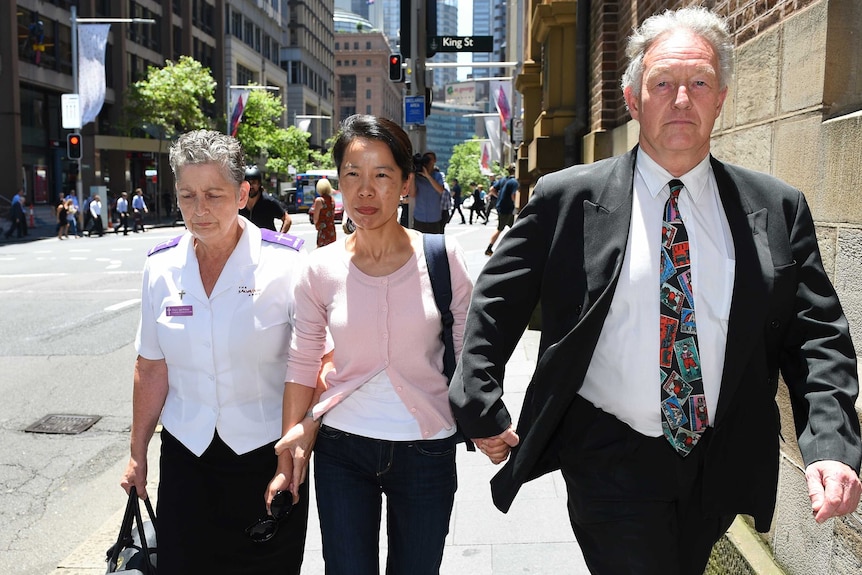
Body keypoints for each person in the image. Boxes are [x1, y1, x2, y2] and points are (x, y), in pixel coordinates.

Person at [448, 7, 862, 575]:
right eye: (663, 83)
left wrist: (832, 444)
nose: (682, 99)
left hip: (719, 459)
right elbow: (496, 301)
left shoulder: (776, 207)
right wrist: (477, 396)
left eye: (699, 83)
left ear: (721, 97)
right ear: (633, 96)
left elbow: (817, 336)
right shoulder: (567, 198)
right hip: (608, 455)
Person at [267, 114, 473, 575]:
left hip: (426, 449)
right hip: (343, 449)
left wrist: (485, 421)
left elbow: (468, 351)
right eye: (352, 175)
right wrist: (288, 456)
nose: (365, 191)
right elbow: (302, 362)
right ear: (338, 182)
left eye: (381, 175)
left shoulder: (443, 257)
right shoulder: (319, 268)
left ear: (405, 184)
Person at [120, 129, 311, 574]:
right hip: (187, 458)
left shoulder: (287, 264)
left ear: (243, 194)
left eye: (214, 195)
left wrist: (296, 447)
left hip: (267, 457)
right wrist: (137, 452)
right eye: (187, 196)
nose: (199, 210)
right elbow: (151, 367)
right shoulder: (161, 267)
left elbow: (312, 365)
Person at [239, 165, 292, 233]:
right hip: (247, 241)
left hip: (266, 242)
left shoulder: (269, 202)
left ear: (259, 184)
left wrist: (279, 238)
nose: (250, 186)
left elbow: (287, 220)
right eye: (247, 183)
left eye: (254, 182)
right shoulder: (238, 203)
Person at [484, 165, 519, 256]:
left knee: (515, 227)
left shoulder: (503, 179)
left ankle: (516, 248)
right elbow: (513, 196)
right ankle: (489, 248)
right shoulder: (514, 181)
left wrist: (498, 196)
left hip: (502, 207)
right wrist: (517, 206)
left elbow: (492, 189)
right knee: (500, 228)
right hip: (507, 209)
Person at [411, 152, 445, 233]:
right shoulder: (418, 177)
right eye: (426, 160)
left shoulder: (437, 176)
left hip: (434, 218)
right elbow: (412, 194)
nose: (428, 163)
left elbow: (441, 190)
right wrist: (412, 176)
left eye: (430, 160)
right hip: (419, 217)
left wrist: (428, 176)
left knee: (434, 244)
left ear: (434, 161)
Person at [311, 177, 337, 247]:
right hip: (331, 228)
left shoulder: (319, 201)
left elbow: (315, 218)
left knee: (321, 250)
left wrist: (316, 225)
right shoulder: (332, 200)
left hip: (323, 229)